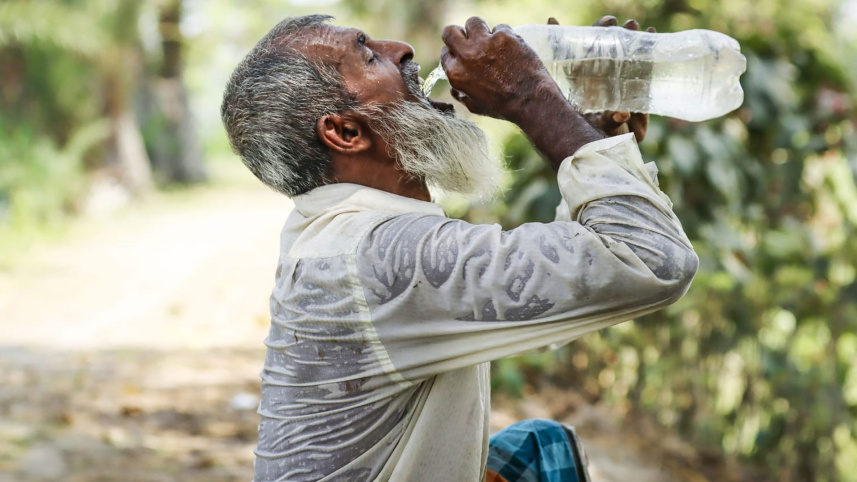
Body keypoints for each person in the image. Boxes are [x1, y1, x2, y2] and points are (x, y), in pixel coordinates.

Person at [221, 13, 698, 482]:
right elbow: (653, 259)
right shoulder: (379, 254)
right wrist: (532, 98)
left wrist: (595, 136)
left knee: (536, 446)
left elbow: (560, 291)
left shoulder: (341, 232)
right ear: (346, 133)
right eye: (368, 55)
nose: (401, 49)